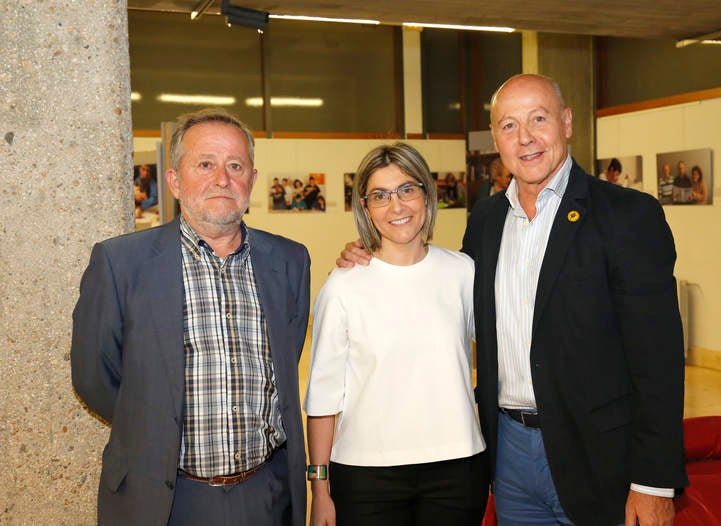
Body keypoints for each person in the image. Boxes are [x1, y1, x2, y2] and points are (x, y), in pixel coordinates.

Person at [337, 74, 687, 526]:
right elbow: (437, 295)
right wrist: (369, 257)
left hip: (600, 458)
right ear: (496, 141)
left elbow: (658, 360)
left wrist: (654, 481)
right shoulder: (485, 222)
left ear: (566, 122)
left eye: (538, 119)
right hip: (510, 456)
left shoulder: (627, 216)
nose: (525, 139)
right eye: (508, 126)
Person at [71, 108, 311, 526]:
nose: (223, 178)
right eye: (205, 164)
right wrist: (154, 420)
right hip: (166, 499)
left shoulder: (290, 261)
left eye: (235, 165)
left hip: (266, 494)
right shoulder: (120, 263)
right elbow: (94, 378)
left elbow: (287, 360)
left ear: (252, 180)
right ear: (174, 180)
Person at [305, 143, 488, 526]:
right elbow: (323, 398)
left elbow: (498, 358)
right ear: (366, 207)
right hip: (366, 477)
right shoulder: (343, 287)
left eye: (407, 189)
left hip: (457, 471)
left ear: (427, 194)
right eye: (381, 196)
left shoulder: (463, 273)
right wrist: (320, 489)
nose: (397, 206)